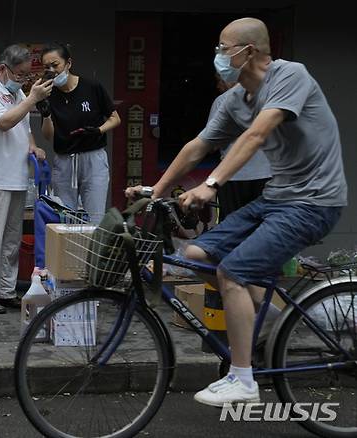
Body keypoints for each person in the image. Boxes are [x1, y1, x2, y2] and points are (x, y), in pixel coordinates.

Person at [126, 17, 347, 406]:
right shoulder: (232, 101)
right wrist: (154, 189)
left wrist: (211, 185)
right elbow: (198, 146)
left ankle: (243, 377)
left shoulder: (290, 76)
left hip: (314, 201)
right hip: (276, 199)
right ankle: (274, 323)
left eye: (223, 49)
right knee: (194, 255)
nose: (217, 56)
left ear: (249, 52)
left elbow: (258, 134)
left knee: (233, 272)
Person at [0, 44, 50, 314]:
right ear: (3, 68)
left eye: (27, 76)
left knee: (12, 239)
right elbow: (3, 123)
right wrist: (32, 98)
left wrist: (33, 146)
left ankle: (5, 290)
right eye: (20, 75)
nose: (23, 80)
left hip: (17, 176)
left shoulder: (17, 94)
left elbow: (23, 127)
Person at [39, 42, 121, 221]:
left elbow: (115, 118)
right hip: (65, 160)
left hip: (93, 158)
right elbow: (48, 135)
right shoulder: (47, 93)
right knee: (66, 217)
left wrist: (98, 130)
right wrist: (45, 114)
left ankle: (93, 249)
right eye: (47, 67)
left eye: (55, 65)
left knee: (95, 216)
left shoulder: (91, 87)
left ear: (68, 63)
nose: (52, 70)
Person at [210, 75, 271, 220]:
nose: (218, 85)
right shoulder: (269, 98)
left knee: (232, 226)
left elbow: (212, 143)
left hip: (232, 176)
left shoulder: (222, 101)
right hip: (267, 175)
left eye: (220, 80)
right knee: (263, 225)